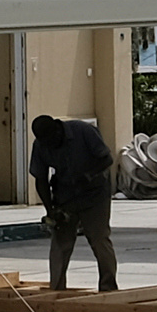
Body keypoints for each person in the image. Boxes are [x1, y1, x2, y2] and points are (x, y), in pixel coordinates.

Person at [28, 110, 120, 294]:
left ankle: (108, 288)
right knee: (61, 244)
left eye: (51, 140)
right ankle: (57, 289)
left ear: (57, 129)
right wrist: (50, 210)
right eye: (45, 142)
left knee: (99, 239)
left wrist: (88, 175)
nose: (49, 145)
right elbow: (40, 179)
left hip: (94, 194)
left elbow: (107, 158)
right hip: (65, 196)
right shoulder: (40, 145)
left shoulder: (83, 131)